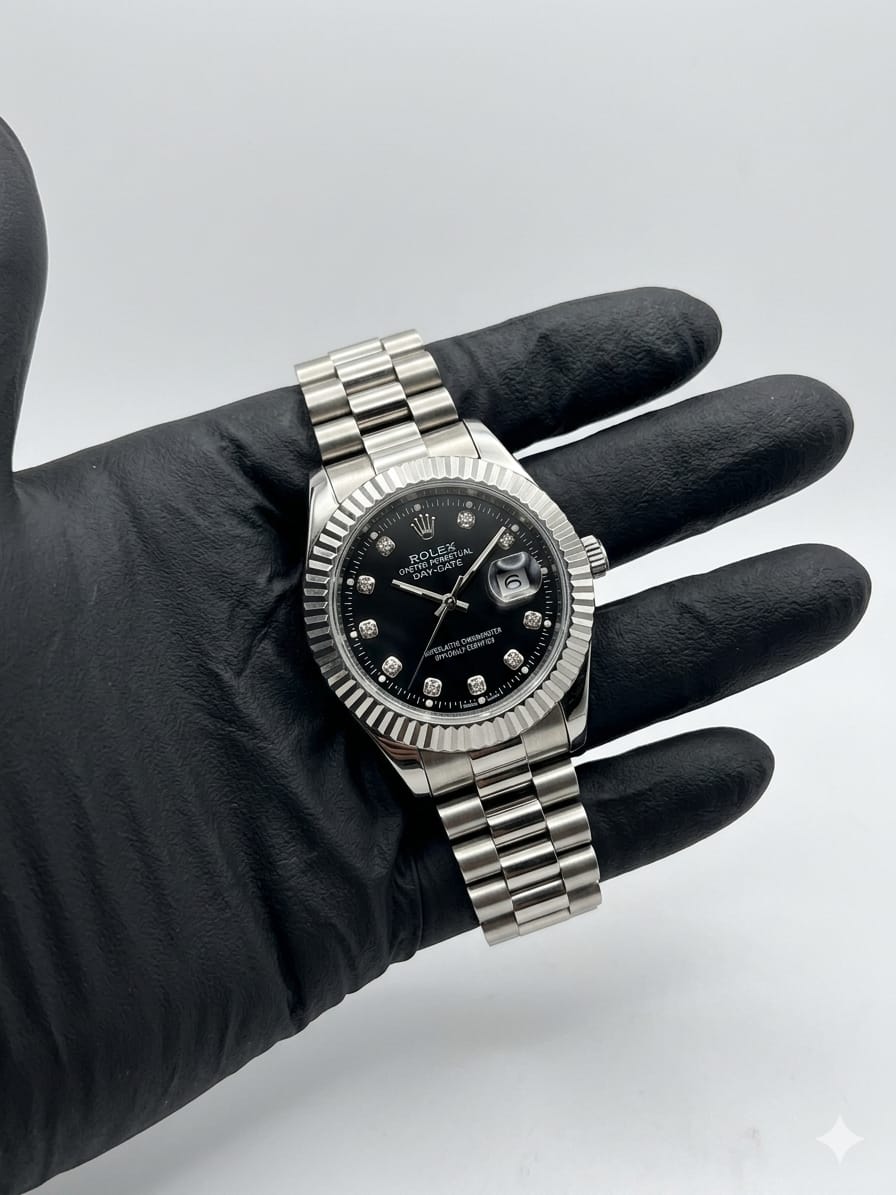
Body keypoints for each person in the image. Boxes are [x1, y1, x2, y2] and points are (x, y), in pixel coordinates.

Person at [0, 116, 870, 1194]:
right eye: (434, 590)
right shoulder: (337, 591)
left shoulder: (512, 584)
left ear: (574, 561)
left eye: (468, 584)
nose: (453, 595)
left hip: (473, 674)